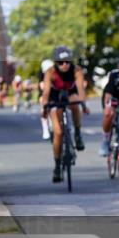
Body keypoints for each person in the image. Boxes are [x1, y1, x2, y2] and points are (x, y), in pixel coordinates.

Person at [41, 46, 89, 183]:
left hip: (70, 93)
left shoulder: (77, 71)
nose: (65, 65)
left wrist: (84, 105)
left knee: (75, 103)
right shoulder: (50, 73)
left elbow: (80, 91)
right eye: (61, 62)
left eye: (67, 62)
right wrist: (44, 107)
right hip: (55, 97)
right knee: (58, 132)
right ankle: (57, 166)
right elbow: (46, 94)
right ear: (55, 62)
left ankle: (78, 134)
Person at [38, 59, 53, 139]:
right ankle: (45, 129)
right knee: (44, 109)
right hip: (44, 94)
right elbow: (43, 90)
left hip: (55, 94)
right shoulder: (41, 77)